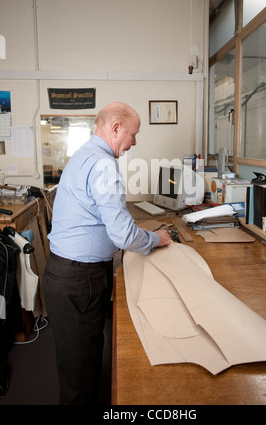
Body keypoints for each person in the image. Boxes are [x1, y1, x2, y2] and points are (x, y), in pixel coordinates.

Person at [43, 102, 171, 405]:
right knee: (80, 373)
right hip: (80, 279)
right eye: (133, 134)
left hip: (67, 274)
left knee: (82, 361)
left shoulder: (84, 154)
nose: (134, 143)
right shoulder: (102, 163)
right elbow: (123, 234)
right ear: (116, 128)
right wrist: (157, 238)